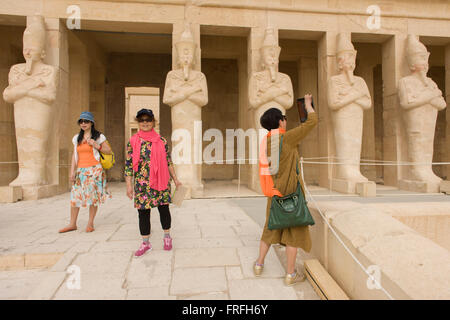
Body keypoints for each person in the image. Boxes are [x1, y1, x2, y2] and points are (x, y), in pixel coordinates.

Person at [255, 94, 317, 286]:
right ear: (280, 121)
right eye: (284, 118)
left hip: (273, 192)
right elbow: (312, 122)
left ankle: (259, 264)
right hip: (290, 192)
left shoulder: (266, 141)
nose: (286, 121)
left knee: (269, 228)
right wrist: (307, 105)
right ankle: (290, 275)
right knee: (293, 234)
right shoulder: (287, 138)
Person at [124, 108, 182, 257]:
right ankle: (146, 243)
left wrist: (175, 179)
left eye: (148, 120)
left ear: (153, 122)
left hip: (161, 182)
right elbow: (129, 165)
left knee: (164, 209)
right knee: (143, 213)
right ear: (138, 122)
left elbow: (168, 161)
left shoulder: (161, 141)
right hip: (142, 184)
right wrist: (129, 185)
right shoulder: (133, 141)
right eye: (142, 120)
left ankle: (167, 237)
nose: (145, 123)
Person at [59, 111, 112, 233]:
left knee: (92, 198)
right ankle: (72, 224)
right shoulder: (76, 138)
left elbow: (108, 150)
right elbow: (74, 155)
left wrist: (95, 145)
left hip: (94, 170)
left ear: (91, 123)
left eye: (86, 121)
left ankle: (90, 223)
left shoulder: (99, 136)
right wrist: (72, 171)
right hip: (81, 171)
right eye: (81, 121)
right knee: (75, 197)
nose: (83, 123)